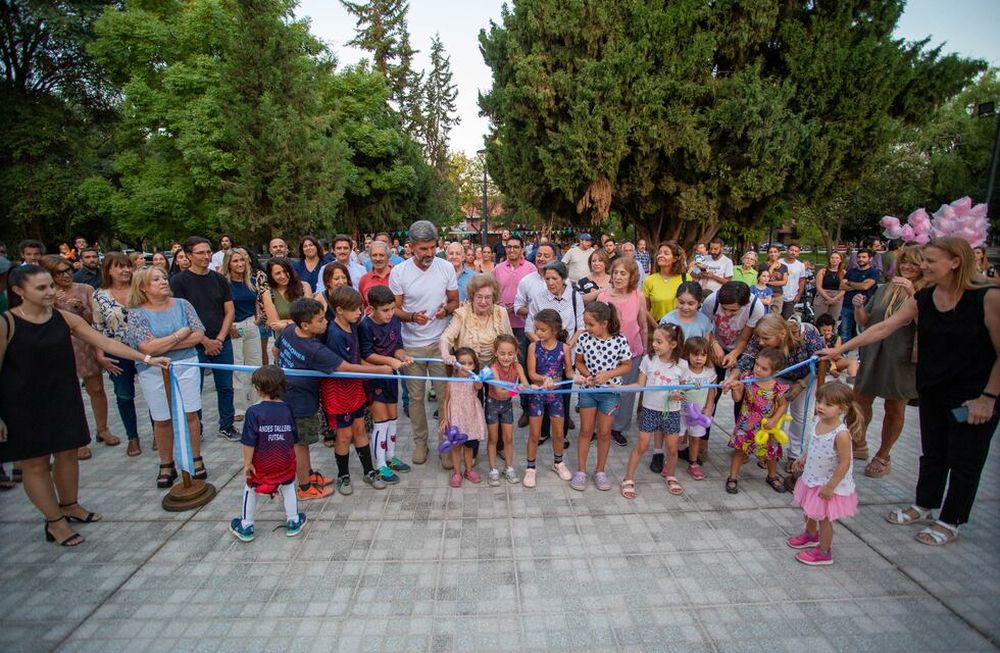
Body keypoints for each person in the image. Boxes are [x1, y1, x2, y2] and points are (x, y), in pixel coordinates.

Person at [820, 236, 998, 547]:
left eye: (930, 261)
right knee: (933, 451)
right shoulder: (924, 296)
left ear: (956, 262)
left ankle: (951, 519)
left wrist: (989, 398)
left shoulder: (988, 297)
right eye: (923, 260)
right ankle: (924, 504)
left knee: (965, 457)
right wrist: (840, 349)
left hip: (974, 394)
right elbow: (884, 327)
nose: (922, 266)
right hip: (932, 386)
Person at [0, 265, 169, 547]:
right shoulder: (7, 323)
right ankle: (55, 522)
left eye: (50, 286)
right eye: (41, 288)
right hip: (24, 404)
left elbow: (104, 342)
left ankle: (70, 505)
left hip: (63, 396)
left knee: (67, 453)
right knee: (36, 463)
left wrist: (147, 359)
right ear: (19, 291)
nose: (50, 292)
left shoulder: (63, 318)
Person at [125, 267, 209, 487]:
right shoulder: (136, 313)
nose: (163, 281)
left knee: (190, 413)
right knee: (162, 418)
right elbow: (146, 348)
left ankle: (195, 457)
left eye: (164, 277)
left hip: (186, 364)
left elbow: (198, 334)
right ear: (143, 287)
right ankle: (166, 463)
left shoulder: (183, 305)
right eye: (156, 279)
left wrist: (162, 344)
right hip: (153, 370)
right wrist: (179, 334)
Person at [389, 221, 459, 467]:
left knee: (444, 397)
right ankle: (420, 442)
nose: (429, 253)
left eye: (432, 247)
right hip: (411, 345)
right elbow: (394, 308)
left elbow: (454, 301)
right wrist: (411, 317)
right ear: (410, 247)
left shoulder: (446, 267)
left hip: (440, 344)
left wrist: (445, 310)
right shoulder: (399, 272)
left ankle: (445, 444)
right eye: (423, 249)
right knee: (416, 398)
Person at [41, 255, 120, 460]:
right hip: (58, 347)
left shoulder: (85, 289)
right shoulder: (45, 293)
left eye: (68, 270)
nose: (66, 275)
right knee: (69, 394)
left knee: (97, 389)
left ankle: (103, 429)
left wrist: (81, 308)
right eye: (59, 272)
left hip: (85, 344)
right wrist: (54, 303)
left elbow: (96, 321)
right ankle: (76, 439)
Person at [320, 287, 393, 492]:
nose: (359, 313)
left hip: (355, 388)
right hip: (338, 391)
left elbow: (357, 358)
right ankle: (343, 475)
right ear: (339, 310)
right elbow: (344, 368)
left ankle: (369, 471)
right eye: (354, 310)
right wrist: (379, 370)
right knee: (344, 435)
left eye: (360, 309)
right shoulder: (334, 334)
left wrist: (380, 368)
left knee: (360, 429)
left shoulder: (352, 326)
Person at [732, 314, 825, 465]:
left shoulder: (808, 336)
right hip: (778, 375)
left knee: (800, 415)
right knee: (773, 413)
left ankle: (796, 456)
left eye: (765, 339)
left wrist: (802, 384)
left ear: (782, 334)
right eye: (759, 338)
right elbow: (747, 358)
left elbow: (823, 364)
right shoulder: (762, 335)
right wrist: (732, 378)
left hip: (807, 377)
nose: (760, 342)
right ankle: (769, 452)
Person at [170, 237, 238, 442]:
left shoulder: (219, 279)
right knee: (194, 388)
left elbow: (229, 310)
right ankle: (195, 427)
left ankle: (227, 425)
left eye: (208, 252)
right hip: (194, 344)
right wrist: (204, 341)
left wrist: (220, 338)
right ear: (189, 256)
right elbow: (180, 316)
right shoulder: (178, 282)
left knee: (225, 387)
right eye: (200, 252)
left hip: (222, 341)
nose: (206, 256)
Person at [229, 366, 307, 542]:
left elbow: (249, 442)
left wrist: (247, 463)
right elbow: (293, 437)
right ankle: (293, 520)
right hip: (285, 460)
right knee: (288, 486)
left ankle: (246, 525)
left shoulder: (253, 412)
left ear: (258, 389)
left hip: (261, 464)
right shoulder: (287, 409)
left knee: (251, 488)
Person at [787, 382, 860, 566]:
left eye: (828, 404)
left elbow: (845, 462)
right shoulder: (817, 422)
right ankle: (811, 534)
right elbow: (814, 445)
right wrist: (803, 458)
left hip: (827, 483)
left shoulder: (841, 434)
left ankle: (824, 551)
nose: (820, 406)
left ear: (842, 408)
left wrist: (831, 486)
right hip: (812, 478)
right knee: (809, 509)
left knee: (824, 519)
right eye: (819, 401)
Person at [272, 299, 338, 501]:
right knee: (300, 444)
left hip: (289, 394)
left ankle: (308, 474)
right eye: (320, 320)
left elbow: (275, 351)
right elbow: (345, 367)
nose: (326, 322)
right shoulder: (314, 348)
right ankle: (304, 487)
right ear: (305, 325)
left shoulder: (288, 330)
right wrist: (382, 369)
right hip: (299, 402)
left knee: (302, 442)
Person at [620, 324, 688, 499]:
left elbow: (683, 389)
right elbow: (639, 385)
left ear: (673, 344)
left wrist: (679, 395)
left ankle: (671, 475)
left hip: (672, 412)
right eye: (653, 341)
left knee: (672, 448)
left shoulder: (682, 364)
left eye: (659, 341)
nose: (654, 345)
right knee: (642, 445)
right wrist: (619, 387)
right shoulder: (648, 360)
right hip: (650, 410)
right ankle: (628, 478)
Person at [571, 301, 632, 492]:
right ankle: (581, 471)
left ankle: (600, 471)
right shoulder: (584, 338)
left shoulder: (620, 340)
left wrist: (608, 375)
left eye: (591, 324)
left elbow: (627, 365)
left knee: (605, 432)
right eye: (585, 323)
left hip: (611, 393)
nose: (587, 328)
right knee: (586, 431)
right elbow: (578, 362)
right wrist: (587, 375)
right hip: (588, 392)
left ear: (604, 323)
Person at [359, 285, 413, 484]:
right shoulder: (365, 326)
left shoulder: (395, 320)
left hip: (391, 376)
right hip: (374, 378)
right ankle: (380, 465)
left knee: (392, 417)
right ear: (372, 308)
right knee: (380, 420)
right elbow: (366, 354)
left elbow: (397, 346)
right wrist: (390, 361)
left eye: (392, 309)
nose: (390, 313)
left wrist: (403, 357)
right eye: (385, 310)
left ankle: (390, 456)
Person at [92, 252, 143, 456]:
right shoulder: (99, 295)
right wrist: (100, 355)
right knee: (124, 395)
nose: (125, 270)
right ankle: (133, 437)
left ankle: (159, 432)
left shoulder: (141, 288)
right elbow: (97, 327)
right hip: (116, 351)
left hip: (146, 348)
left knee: (153, 391)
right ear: (108, 270)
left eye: (128, 266)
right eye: (119, 266)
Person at [724, 347, 789, 494]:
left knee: (770, 453)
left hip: (767, 427)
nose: (758, 369)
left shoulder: (777, 387)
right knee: (740, 451)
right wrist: (736, 389)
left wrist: (774, 419)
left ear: (775, 371)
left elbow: (783, 405)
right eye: (757, 364)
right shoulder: (747, 379)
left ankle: (772, 476)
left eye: (764, 368)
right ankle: (732, 477)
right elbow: (737, 399)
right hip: (746, 424)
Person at [599, 257, 649, 446]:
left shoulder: (638, 297)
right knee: (605, 390)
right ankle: (602, 426)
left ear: (632, 276)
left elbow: (643, 326)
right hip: (606, 354)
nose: (618, 277)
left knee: (626, 393)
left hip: (632, 352)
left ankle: (618, 428)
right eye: (615, 273)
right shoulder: (603, 297)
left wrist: (645, 352)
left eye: (623, 273)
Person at [524, 309, 574, 487]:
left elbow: (569, 372)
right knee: (534, 434)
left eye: (542, 330)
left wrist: (579, 378)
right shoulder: (533, 347)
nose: (538, 332)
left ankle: (558, 463)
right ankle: (530, 467)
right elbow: (531, 374)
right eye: (536, 328)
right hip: (537, 394)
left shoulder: (564, 348)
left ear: (554, 330)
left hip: (556, 396)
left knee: (559, 433)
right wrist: (544, 379)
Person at [439, 274, 513, 368]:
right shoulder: (462, 314)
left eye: (488, 297)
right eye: (479, 297)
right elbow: (446, 338)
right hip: (467, 370)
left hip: (496, 370)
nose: (483, 302)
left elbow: (510, 342)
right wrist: (446, 354)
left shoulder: (501, 312)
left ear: (493, 298)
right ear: (472, 296)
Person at [485, 334, 529, 486]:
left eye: (510, 354)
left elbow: (525, 384)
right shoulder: (493, 368)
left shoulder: (517, 367)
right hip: (492, 404)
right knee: (493, 438)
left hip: (507, 406)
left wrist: (529, 387)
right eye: (502, 353)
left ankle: (509, 468)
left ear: (516, 352)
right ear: (496, 353)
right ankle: (493, 470)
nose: (506, 357)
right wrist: (516, 390)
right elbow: (499, 392)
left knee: (508, 438)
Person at [224, 248, 262, 420]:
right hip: (234, 327)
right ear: (228, 264)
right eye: (235, 261)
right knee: (237, 368)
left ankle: (258, 402)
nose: (239, 264)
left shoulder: (251, 281)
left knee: (255, 366)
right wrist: (229, 327)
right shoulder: (225, 284)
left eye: (242, 260)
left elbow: (255, 300)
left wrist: (257, 317)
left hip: (251, 324)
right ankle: (239, 408)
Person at [441, 348, 486, 487]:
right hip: (456, 418)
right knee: (456, 447)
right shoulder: (451, 382)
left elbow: (479, 386)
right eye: (462, 363)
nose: (466, 367)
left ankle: (469, 471)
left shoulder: (473, 380)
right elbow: (446, 401)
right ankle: (457, 473)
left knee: (468, 447)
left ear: (474, 365)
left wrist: (478, 378)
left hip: (470, 418)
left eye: (470, 363)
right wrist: (445, 418)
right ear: (455, 365)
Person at [680, 337, 716, 479]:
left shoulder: (709, 372)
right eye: (695, 354)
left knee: (695, 439)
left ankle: (693, 463)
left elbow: (712, 391)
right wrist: (687, 387)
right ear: (687, 354)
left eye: (703, 355)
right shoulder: (682, 370)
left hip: (699, 414)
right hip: (681, 412)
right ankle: (669, 460)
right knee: (677, 438)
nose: (699, 358)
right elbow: (677, 390)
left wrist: (709, 407)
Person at [262, 258, 311, 337]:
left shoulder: (304, 287)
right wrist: (299, 322)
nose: (283, 276)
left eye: (285, 271)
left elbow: (310, 317)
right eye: (277, 273)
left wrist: (284, 324)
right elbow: (274, 324)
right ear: (271, 276)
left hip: (306, 338)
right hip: (284, 339)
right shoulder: (268, 294)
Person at [839, 248, 879, 342]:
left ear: (870, 259)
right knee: (844, 333)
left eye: (864, 257)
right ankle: (845, 350)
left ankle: (863, 351)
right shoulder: (851, 271)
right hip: (847, 305)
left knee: (864, 333)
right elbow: (841, 286)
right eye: (859, 257)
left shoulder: (873, 272)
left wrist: (850, 283)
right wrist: (859, 285)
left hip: (864, 307)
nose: (861, 259)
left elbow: (865, 286)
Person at [642, 242, 688, 322]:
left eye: (666, 253)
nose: (661, 256)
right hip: (658, 326)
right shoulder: (649, 280)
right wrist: (657, 327)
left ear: (675, 259)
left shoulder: (686, 278)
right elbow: (646, 310)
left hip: (682, 326)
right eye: (659, 253)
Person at [358, 241, 393, 310]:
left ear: (388, 257)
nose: (378, 259)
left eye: (381, 255)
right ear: (370, 257)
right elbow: (363, 306)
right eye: (374, 255)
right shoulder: (364, 279)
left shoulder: (397, 275)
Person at [813, 252, 846, 322]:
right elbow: (818, 287)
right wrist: (828, 298)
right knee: (820, 320)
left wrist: (834, 299)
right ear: (829, 260)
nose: (834, 260)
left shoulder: (843, 273)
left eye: (837, 258)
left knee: (833, 320)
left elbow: (844, 288)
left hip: (837, 297)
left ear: (840, 260)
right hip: (823, 296)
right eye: (832, 258)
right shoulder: (822, 271)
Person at [778, 244, 806, 319]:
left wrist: (799, 295)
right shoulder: (779, 262)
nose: (793, 252)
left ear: (798, 253)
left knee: (786, 319)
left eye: (796, 251)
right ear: (787, 250)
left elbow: (802, 280)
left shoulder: (801, 265)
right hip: (778, 295)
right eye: (791, 250)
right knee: (775, 319)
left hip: (791, 297)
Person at [759, 246, 788, 314]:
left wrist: (769, 282)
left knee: (776, 316)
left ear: (779, 253)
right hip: (765, 295)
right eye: (770, 252)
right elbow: (764, 280)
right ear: (767, 254)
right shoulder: (763, 265)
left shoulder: (784, 266)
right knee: (764, 315)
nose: (773, 254)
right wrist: (771, 268)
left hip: (778, 295)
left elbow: (784, 282)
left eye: (775, 252)